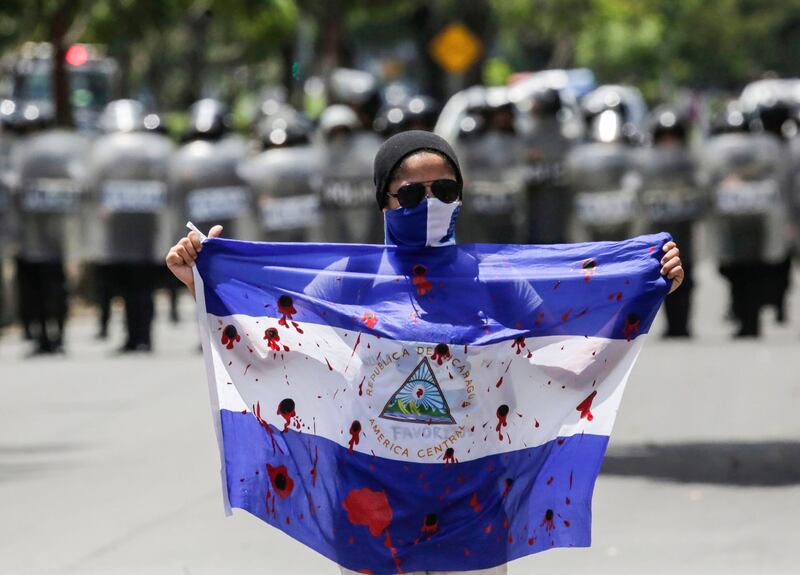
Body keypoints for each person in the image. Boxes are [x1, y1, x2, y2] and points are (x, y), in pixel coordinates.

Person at [165, 131, 684, 575]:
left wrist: (646, 289)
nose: (430, 202)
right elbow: (272, 346)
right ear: (383, 200)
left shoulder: (496, 280)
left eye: (445, 189)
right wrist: (204, 283)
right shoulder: (349, 279)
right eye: (411, 193)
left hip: (474, 497)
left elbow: (565, 352)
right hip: (370, 495)